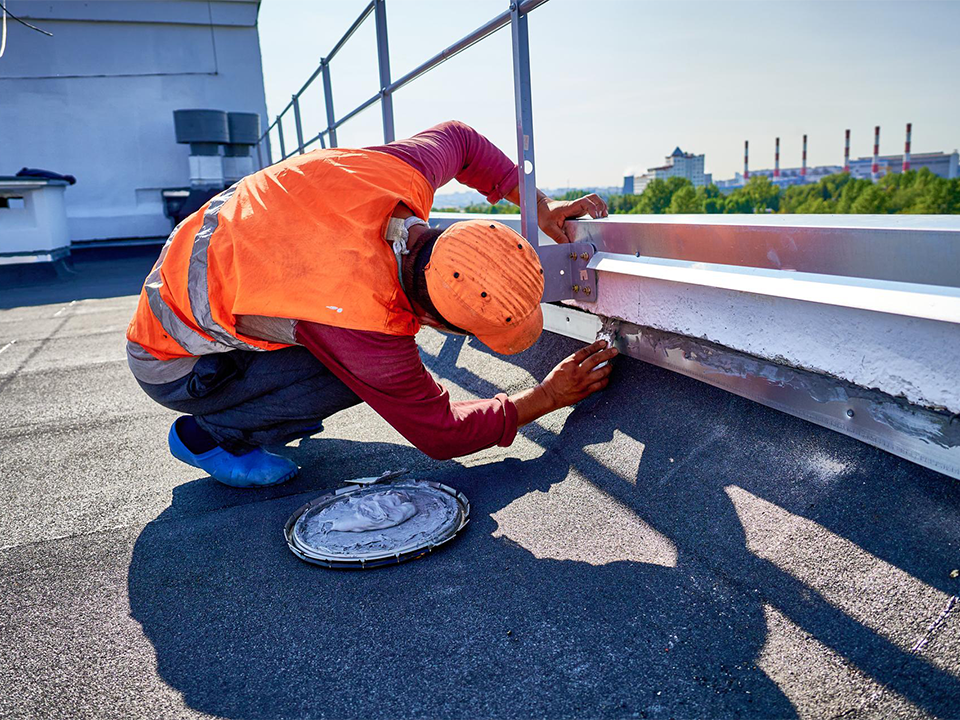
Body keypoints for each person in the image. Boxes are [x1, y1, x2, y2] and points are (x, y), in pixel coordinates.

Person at [126, 120, 617, 487]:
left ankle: (254, 404)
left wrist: (539, 204)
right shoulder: (361, 322)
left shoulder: (401, 175)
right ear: (432, 319)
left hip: (188, 274)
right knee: (345, 375)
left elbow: (461, 141)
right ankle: (212, 435)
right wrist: (545, 399)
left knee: (337, 352)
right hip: (173, 360)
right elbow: (442, 434)